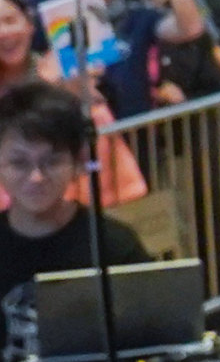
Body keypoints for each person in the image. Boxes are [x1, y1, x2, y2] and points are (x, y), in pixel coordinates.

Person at [0, 76, 145, 313]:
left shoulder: (113, 245)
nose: (36, 177)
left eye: (52, 162)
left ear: (78, 163)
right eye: (19, 163)